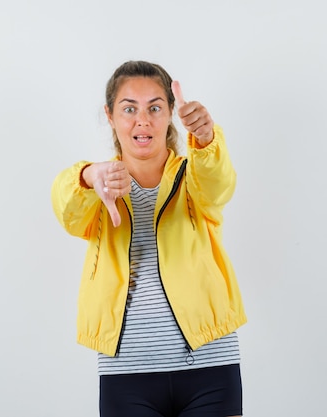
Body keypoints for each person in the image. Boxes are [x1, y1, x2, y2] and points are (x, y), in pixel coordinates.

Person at [51, 60, 247, 417]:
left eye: (155, 107)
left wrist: (206, 139)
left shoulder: (194, 176)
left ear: (171, 113)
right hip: (127, 374)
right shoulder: (97, 188)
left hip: (210, 366)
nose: (143, 120)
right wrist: (90, 175)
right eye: (129, 109)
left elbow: (219, 186)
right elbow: (67, 211)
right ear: (110, 116)